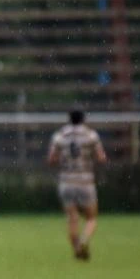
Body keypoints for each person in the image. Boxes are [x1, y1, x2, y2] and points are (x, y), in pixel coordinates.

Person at [47, 110, 108, 260]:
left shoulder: (60, 135)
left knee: (72, 218)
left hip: (66, 182)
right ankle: (83, 241)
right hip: (85, 181)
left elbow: (51, 160)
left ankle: (76, 249)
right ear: (83, 119)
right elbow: (101, 158)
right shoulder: (91, 135)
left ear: (69, 119)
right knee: (91, 218)